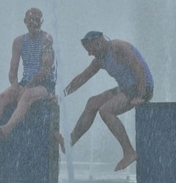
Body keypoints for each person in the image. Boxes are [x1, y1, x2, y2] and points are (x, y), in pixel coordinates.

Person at [59, 31, 154, 171]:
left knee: (106, 110)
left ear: (99, 42)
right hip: (126, 88)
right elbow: (83, 77)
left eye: (90, 49)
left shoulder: (118, 48)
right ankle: (69, 142)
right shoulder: (100, 60)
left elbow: (138, 67)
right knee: (92, 103)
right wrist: (62, 95)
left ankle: (129, 152)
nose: (90, 54)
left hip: (143, 86)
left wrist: (141, 95)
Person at [0, 8, 56, 143]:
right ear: (25, 21)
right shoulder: (19, 42)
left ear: (42, 22)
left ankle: (7, 128)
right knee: (2, 97)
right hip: (25, 82)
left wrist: (27, 87)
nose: (34, 23)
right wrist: (15, 86)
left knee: (27, 95)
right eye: (31, 20)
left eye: (37, 20)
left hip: (44, 84)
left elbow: (46, 69)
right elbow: (12, 70)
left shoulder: (46, 39)